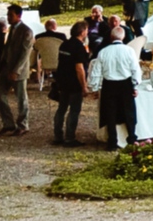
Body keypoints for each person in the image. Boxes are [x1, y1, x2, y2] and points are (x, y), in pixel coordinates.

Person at [88, 20, 142, 148]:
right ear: (123, 37)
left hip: (109, 84)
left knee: (110, 113)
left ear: (111, 37)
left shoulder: (103, 52)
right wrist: (135, 85)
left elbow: (96, 72)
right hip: (125, 84)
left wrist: (95, 88)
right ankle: (132, 138)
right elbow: (135, 69)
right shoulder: (129, 51)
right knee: (129, 112)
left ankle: (112, 141)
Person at [0, 4, 34, 136]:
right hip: (6, 67)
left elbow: (25, 54)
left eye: (11, 15)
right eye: (8, 15)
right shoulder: (11, 29)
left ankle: (23, 125)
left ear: (18, 16)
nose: (8, 18)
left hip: (18, 70)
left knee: (21, 98)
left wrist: (16, 71)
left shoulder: (26, 31)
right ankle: (8, 123)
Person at [51, 19, 90, 146]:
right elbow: (79, 68)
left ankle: (57, 135)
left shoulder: (64, 44)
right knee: (74, 110)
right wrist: (84, 86)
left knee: (61, 109)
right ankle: (69, 137)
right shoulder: (79, 47)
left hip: (63, 81)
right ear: (82, 32)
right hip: (74, 83)